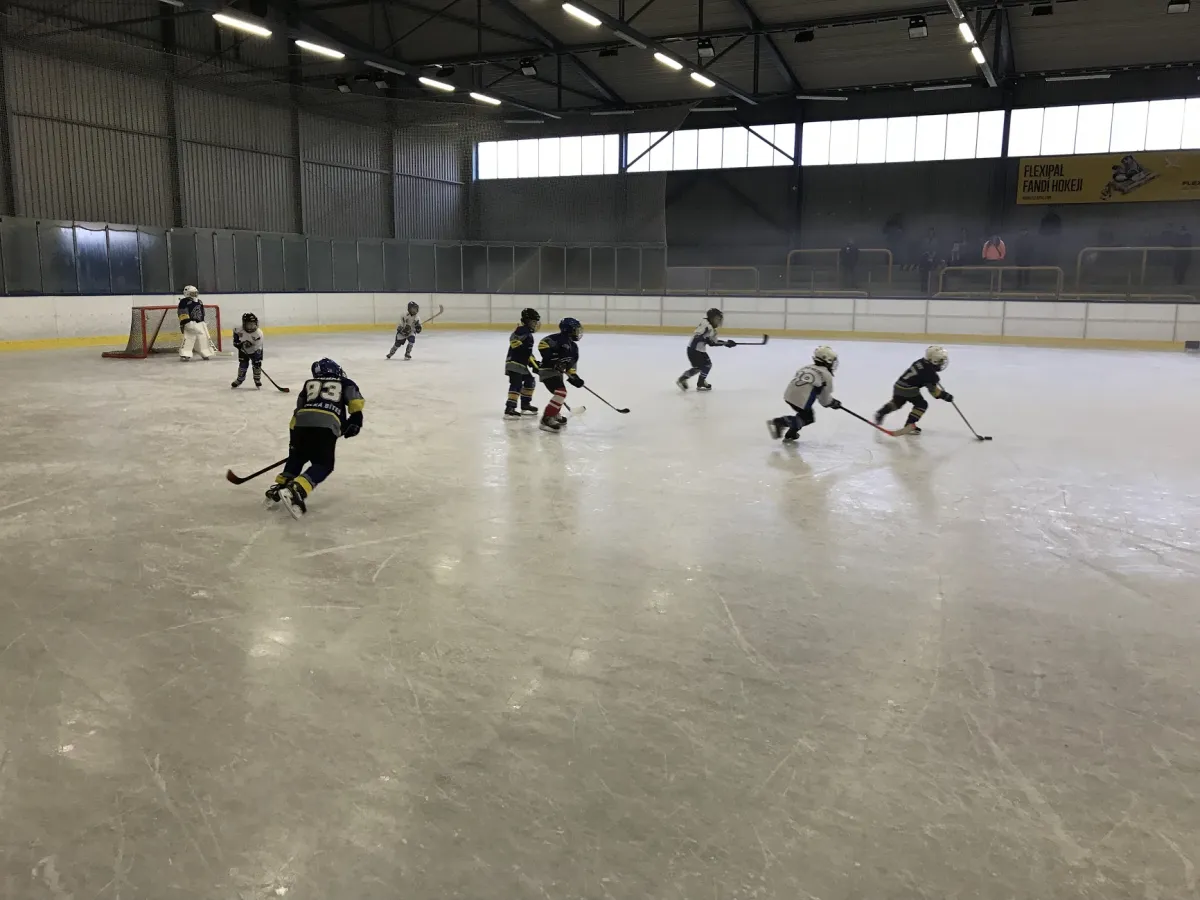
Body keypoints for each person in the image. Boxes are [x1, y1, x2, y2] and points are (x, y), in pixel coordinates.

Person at [265, 358, 365, 518]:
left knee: (297, 457)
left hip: (300, 424)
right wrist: (356, 419)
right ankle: (298, 489)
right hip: (326, 424)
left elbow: (299, 407)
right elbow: (355, 401)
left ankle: (281, 486)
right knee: (324, 464)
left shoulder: (309, 384)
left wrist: (294, 442)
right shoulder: (344, 382)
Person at [767, 346, 842, 443]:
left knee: (803, 414)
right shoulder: (826, 375)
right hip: (801, 399)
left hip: (788, 395)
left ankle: (791, 434)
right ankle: (780, 422)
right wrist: (833, 403)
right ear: (828, 360)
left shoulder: (806, 367)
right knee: (808, 418)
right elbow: (824, 400)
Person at [874, 346, 953, 435]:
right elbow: (935, 393)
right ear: (934, 360)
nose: (942, 363)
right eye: (940, 361)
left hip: (898, 386)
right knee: (922, 405)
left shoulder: (920, 361)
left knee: (897, 403)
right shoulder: (930, 374)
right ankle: (909, 424)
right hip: (909, 390)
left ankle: (881, 412)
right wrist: (945, 396)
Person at [536, 317, 583, 434]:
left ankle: (555, 413)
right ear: (568, 330)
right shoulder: (556, 339)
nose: (578, 332)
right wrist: (551, 358)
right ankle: (547, 418)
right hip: (547, 371)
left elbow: (571, 365)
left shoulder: (574, 348)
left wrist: (574, 377)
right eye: (576, 330)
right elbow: (543, 344)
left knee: (560, 393)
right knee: (561, 393)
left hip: (558, 373)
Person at [676, 307, 735, 392]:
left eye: (719, 319)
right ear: (712, 318)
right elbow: (697, 337)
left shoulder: (713, 330)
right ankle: (700, 382)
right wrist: (706, 340)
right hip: (694, 350)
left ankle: (684, 379)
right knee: (706, 365)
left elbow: (714, 342)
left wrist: (726, 343)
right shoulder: (706, 324)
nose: (719, 321)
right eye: (717, 319)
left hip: (698, 350)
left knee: (699, 367)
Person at [504, 307, 542, 419]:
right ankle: (510, 408)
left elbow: (528, 353)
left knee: (530, 381)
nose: (535, 324)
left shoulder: (528, 334)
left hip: (521, 365)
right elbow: (514, 340)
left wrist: (535, 364)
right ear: (527, 321)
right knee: (516, 384)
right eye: (533, 322)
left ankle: (525, 405)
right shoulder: (521, 330)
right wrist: (521, 350)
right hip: (514, 363)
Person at [176, 285, 212, 361]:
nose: (195, 295)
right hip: (190, 322)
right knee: (189, 338)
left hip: (200, 323)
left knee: (203, 338)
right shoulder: (184, 301)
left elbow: (202, 312)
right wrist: (186, 322)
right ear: (187, 293)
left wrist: (203, 321)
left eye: (196, 293)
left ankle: (205, 352)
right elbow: (182, 312)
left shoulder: (199, 301)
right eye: (192, 293)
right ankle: (185, 354)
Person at [231, 313, 264, 389]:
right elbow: (235, 332)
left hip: (255, 350)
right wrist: (236, 342)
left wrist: (256, 358)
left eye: (253, 324)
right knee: (243, 364)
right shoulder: (239, 329)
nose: (252, 326)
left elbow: (258, 346)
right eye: (249, 324)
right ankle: (240, 379)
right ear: (244, 324)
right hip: (243, 350)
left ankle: (257, 379)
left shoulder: (258, 333)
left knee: (257, 365)